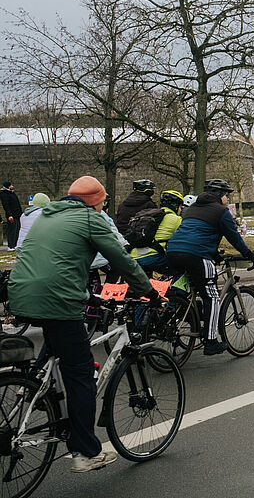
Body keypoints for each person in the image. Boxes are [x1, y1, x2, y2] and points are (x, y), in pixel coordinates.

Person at [9, 175, 164, 473]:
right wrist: (150, 294)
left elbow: (57, 262)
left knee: (59, 347)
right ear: (96, 202)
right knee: (81, 374)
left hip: (21, 295)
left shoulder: (44, 217)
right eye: (103, 203)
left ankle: (32, 387)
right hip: (56, 301)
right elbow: (121, 259)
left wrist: (89, 298)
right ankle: (85, 451)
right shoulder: (90, 219)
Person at [166, 179, 254, 355]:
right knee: (212, 296)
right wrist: (249, 254)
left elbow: (197, 233)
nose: (228, 198)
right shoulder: (221, 211)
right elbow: (234, 237)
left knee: (183, 290)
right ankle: (210, 341)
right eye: (227, 194)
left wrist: (214, 253)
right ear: (220, 195)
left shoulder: (192, 208)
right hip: (196, 255)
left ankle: (177, 317)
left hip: (173, 252)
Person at [131, 190, 184, 275]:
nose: (181, 210)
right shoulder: (176, 219)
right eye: (180, 207)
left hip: (133, 256)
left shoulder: (153, 215)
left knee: (144, 284)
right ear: (175, 206)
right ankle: (176, 288)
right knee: (182, 270)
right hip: (153, 257)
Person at [0, 181, 23, 250]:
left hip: (17, 214)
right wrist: (9, 215)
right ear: (8, 186)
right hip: (12, 215)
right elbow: (6, 206)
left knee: (17, 229)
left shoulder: (11, 193)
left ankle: (15, 244)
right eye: (11, 185)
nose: (12, 186)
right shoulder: (4, 194)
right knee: (12, 230)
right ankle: (11, 245)